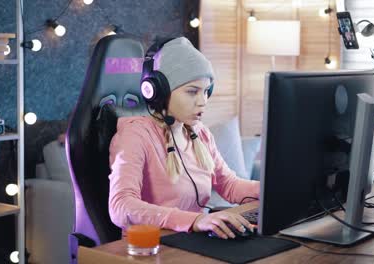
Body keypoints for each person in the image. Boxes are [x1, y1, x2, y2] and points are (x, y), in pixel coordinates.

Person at [108, 37, 260, 240]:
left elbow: (229, 185)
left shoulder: (200, 133)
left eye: (206, 91)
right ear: (159, 92)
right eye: (192, 92)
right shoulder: (135, 135)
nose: (202, 101)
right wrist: (194, 220)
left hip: (195, 240)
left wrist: (273, 188)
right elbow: (120, 206)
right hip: (151, 246)